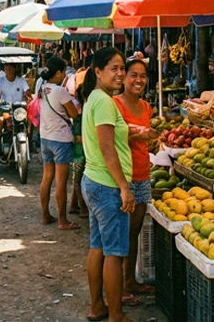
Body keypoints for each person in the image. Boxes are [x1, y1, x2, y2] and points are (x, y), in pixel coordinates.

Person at [81, 47, 134, 322]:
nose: (120, 73)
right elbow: (107, 148)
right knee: (114, 253)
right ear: (98, 72)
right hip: (106, 186)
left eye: (122, 68)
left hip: (94, 182)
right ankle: (116, 315)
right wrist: (124, 187)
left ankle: (97, 307)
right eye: (114, 68)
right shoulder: (103, 101)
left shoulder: (95, 98)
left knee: (98, 246)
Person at [113, 58, 159, 303]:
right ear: (124, 77)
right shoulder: (115, 105)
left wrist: (148, 137)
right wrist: (141, 134)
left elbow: (143, 139)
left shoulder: (146, 107)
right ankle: (118, 287)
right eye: (133, 74)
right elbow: (116, 139)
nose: (138, 80)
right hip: (123, 176)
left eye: (142, 75)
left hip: (142, 173)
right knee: (121, 232)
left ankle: (130, 280)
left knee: (134, 230)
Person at [38, 57, 81, 230]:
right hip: (60, 139)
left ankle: (45, 215)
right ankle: (63, 220)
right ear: (58, 73)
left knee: (47, 177)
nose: (64, 75)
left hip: (45, 137)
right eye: (63, 72)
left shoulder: (42, 88)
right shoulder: (60, 91)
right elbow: (74, 114)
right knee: (61, 181)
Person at [0, 63, 33, 146]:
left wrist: (28, 93)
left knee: (30, 121)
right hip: (5, 108)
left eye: (11, 67)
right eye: (6, 68)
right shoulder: (0, 80)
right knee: (0, 121)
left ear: (15, 69)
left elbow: (27, 91)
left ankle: (31, 142)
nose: (9, 69)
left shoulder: (21, 80)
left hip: (19, 109)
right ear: (4, 70)